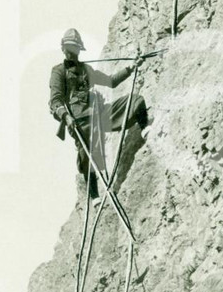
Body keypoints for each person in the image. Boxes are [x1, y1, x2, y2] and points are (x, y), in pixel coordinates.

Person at [49, 29, 149, 198]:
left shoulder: (86, 69)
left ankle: (145, 127)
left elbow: (110, 81)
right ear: (63, 49)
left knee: (134, 100)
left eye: (74, 48)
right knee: (86, 155)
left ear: (79, 50)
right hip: (80, 121)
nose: (71, 52)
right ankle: (94, 196)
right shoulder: (58, 71)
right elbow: (55, 100)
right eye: (68, 48)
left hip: (98, 114)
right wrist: (66, 117)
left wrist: (131, 68)